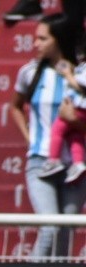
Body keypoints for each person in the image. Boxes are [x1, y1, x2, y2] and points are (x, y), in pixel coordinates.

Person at [9, 13, 86, 258]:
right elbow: (15, 105)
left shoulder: (81, 75)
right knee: (49, 227)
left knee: (65, 232)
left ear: (58, 40)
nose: (36, 44)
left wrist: (75, 121)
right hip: (40, 162)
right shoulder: (29, 73)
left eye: (42, 39)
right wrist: (30, 137)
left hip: (76, 167)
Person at [37, 52, 86, 184]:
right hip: (80, 111)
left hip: (78, 108)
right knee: (74, 136)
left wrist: (68, 75)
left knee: (57, 129)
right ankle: (78, 162)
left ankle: (53, 159)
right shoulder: (81, 66)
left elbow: (80, 85)